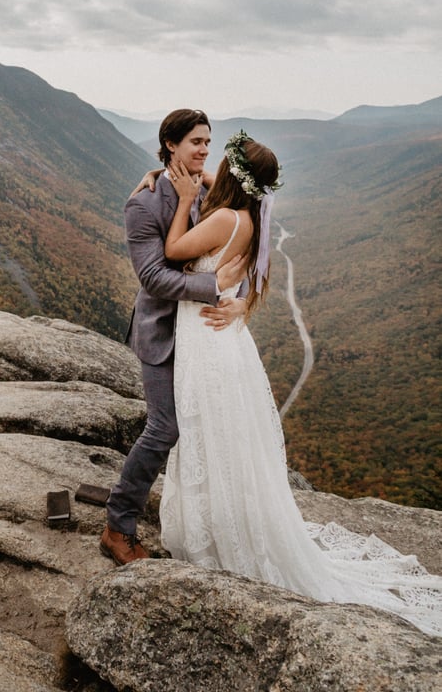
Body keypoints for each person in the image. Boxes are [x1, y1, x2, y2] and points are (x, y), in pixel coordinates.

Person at [159, 130, 442, 637]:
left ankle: (219, 537)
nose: (210, 168)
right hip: (221, 339)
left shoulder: (223, 218)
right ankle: (226, 526)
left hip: (206, 339)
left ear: (232, 177)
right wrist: (194, 177)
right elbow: (228, 212)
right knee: (225, 441)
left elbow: (175, 249)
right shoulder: (250, 217)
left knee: (209, 434)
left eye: (219, 163)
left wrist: (182, 200)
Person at [100, 109, 248, 566]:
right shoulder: (143, 203)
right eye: (195, 143)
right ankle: (117, 525)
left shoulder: (210, 189)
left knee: (207, 428)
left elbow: (247, 240)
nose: (205, 150)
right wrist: (216, 287)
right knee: (166, 428)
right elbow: (153, 278)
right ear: (170, 145)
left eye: (208, 141)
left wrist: (244, 298)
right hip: (163, 334)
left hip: (204, 334)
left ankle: (201, 523)